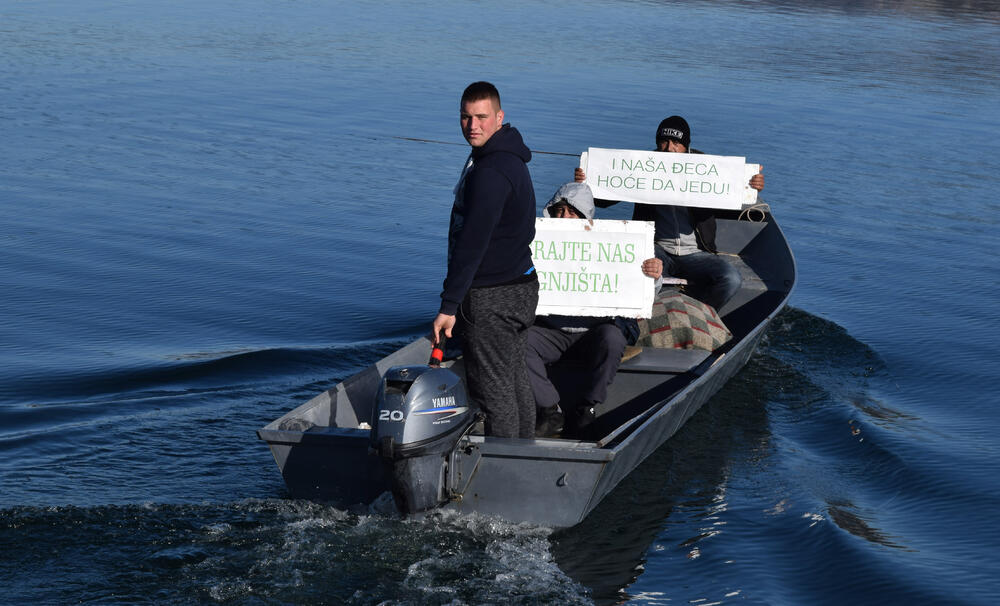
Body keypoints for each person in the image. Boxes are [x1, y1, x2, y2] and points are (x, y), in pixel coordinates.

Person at [431, 81, 539, 439]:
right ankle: (526, 456)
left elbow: (472, 244)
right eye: (465, 117)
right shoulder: (509, 158)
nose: (472, 125)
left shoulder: (491, 173)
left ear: (499, 117)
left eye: (481, 117)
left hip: (492, 296)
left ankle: (505, 471)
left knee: (492, 393)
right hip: (523, 286)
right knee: (513, 378)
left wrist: (449, 305)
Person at [575, 115, 763, 310]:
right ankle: (642, 314)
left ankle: (697, 315)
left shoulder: (707, 168)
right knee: (634, 269)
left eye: (676, 142)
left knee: (731, 279)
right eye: (664, 141)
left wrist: (750, 186)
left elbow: (730, 199)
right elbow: (604, 199)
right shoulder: (645, 165)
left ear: (686, 146)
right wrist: (587, 182)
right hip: (657, 249)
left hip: (696, 253)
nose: (669, 148)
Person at [525, 182, 663, 437]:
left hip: (593, 331)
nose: (564, 217)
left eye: (572, 212)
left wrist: (654, 276)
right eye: (559, 211)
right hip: (550, 330)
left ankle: (586, 408)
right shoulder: (536, 242)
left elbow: (639, 293)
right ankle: (549, 409)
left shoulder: (610, 244)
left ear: (586, 216)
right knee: (516, 342)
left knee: (613, 338)